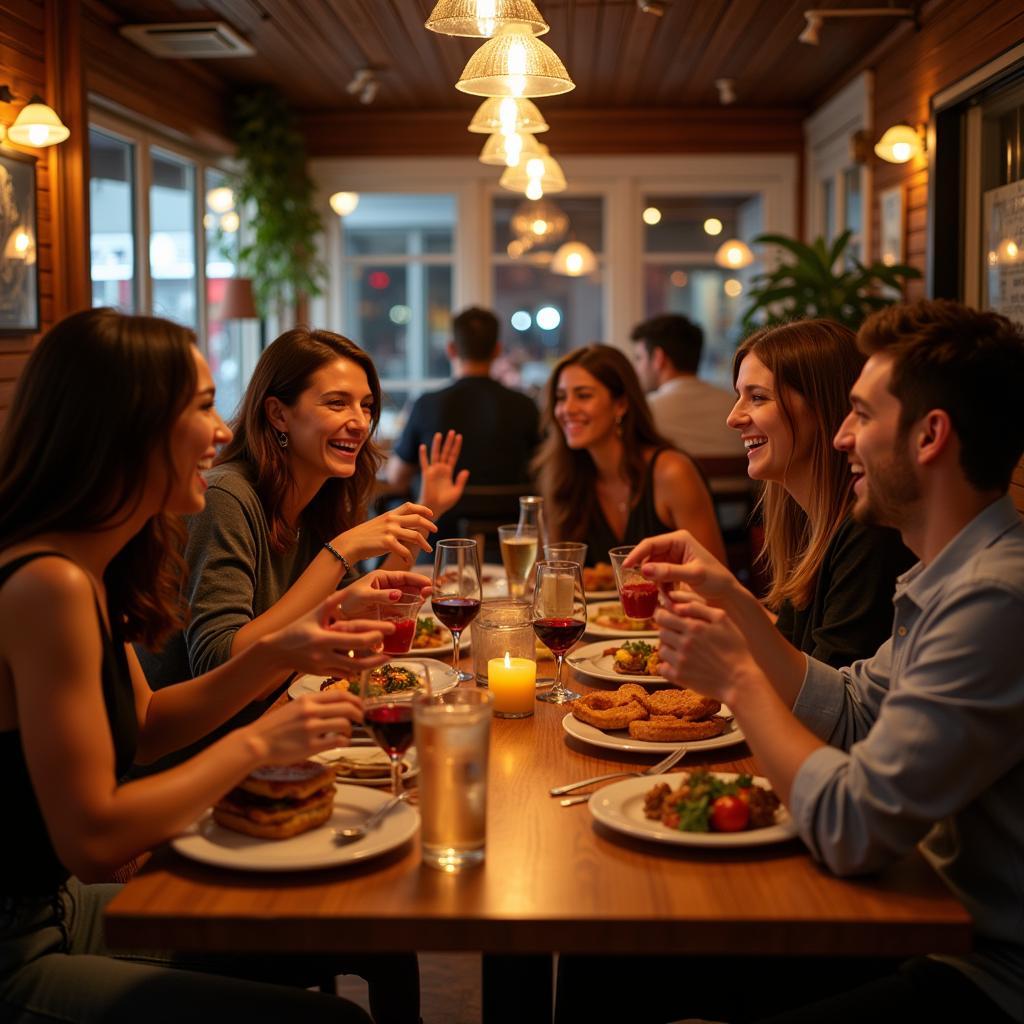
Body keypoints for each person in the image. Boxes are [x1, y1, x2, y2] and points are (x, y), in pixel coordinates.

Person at [567, 299, 1023, 1023]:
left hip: (976, 967)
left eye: (863, 416)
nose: (843, 437)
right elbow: (847, 708)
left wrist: (740, 679)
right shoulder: (949, 575)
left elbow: (852, 825)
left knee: (618, 956)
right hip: (910, 904)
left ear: (931, 435)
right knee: (604, 958)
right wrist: (730, 598)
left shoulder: (995, 600)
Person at [0, 308, 428, 1021]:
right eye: (201, 407)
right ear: (128, 425)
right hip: (20, 950)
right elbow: (96, 839)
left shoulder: (87, 566)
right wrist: (258, 742)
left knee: (374, 931)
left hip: (61, 908)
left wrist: (285, 650)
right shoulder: (49, 584)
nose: (224, 431)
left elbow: (148, 723)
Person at [138, 326, 462, 768]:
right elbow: (217, 662)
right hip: (203, 760)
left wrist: (424, 514)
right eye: (336, 402)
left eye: (366, 406)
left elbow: (355, 614)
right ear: (278, 414)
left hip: (280, 723)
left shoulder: (318, 499)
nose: (360, 422)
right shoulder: (224, 498)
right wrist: (340, 552)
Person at [728, 319, 913, 666]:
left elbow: (826, 701)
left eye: (757, 397)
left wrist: (729, 599)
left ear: (824, 407)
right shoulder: (810, 518)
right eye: (739, 396)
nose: (733, 417)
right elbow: (789, 653)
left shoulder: (869, 530)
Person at [533, 343, 725, 567]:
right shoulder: (565, 476)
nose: (567, 408)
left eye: (583, 395)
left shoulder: (672, 472)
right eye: (561, 397)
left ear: (621, 404)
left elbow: (716, 577)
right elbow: (554, 573)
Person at [386, 306, 540, 543]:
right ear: (497, 350)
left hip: (438, 541)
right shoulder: (525, 406)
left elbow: (396, 478)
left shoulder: (427, 405)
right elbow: (542, 473)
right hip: (511, 539)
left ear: (451, 349)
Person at [631, 312, 745, 460]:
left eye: (639, 358)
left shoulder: (644, 410)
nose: (636, 368)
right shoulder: (737, 405)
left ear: (659, 358)